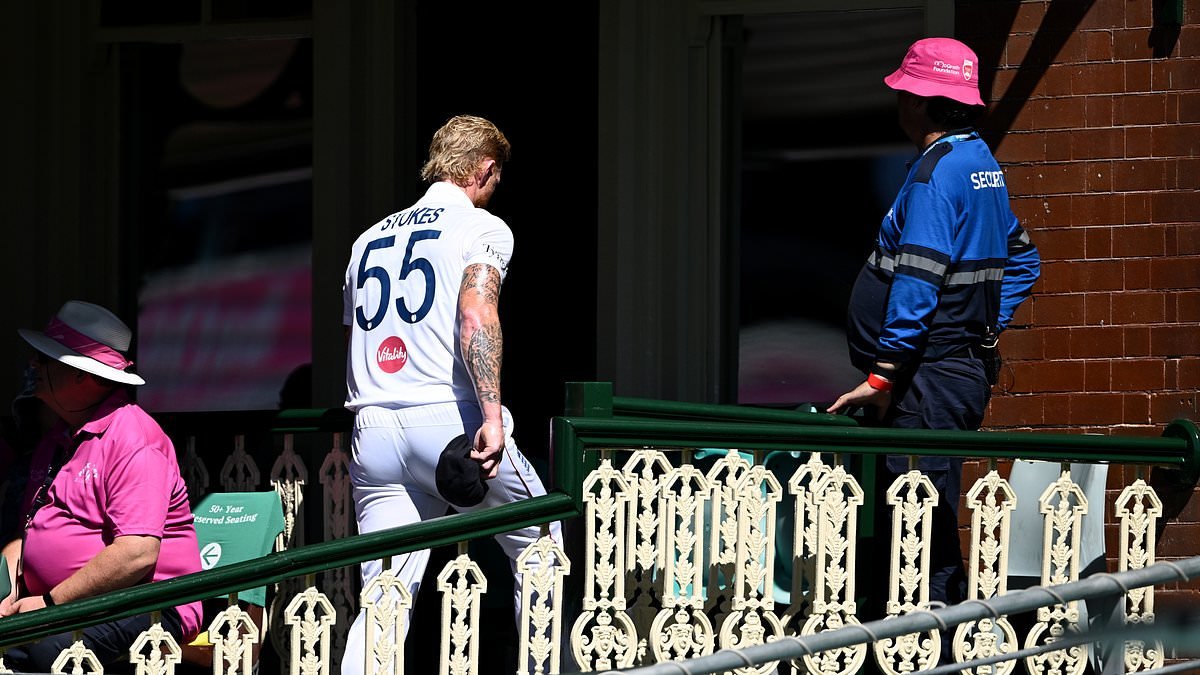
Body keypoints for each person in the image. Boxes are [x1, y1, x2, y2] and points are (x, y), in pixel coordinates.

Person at [826, 36, 1041, 636]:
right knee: (931, 504)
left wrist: (883, 374)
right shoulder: (982, 167)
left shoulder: (933, 175)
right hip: (950, 369)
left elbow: (918, 280)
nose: (899, 104)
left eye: (904, 93)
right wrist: (981, 324)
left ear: (921, 102)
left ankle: (924, 643)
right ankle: (931, 637)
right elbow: (1025, 261)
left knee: (915, 511)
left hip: (924, 378)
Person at [340, 114, 561, 674]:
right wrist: (492, 414)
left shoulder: (367, 239)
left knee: (384, 594)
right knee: (540, 550)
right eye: (497, 177)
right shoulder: (482, 228)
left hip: (372, 428)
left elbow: (357, 335)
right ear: (486, 170)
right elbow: (475, 313)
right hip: (449, 421)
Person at [0, 300, 204, 671]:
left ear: (83, 376)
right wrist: (8, 593)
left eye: (46, 359)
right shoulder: (57, 438)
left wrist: (49, 604)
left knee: (50, 650)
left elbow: (136, 554)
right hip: (68, 603)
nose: (34, 366)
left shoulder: (134, 436)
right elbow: (26, 537)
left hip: (151, 601)